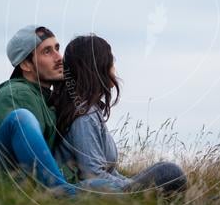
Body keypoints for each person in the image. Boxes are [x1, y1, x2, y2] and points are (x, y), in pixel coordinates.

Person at [52, 34, 187, 196]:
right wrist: (131, 187)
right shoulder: (85, 116)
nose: (114, 68)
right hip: (90, 190)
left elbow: (110, 172)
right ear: (98, 68)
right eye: (111, 62)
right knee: (169, 172)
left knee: (164, 168)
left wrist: (131, 183)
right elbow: (93, 174)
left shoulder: (88, 110)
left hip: (105, 187)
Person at [0, 25, 79, 196]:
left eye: (57, 48)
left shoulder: (43, 98)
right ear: (26, 64)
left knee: (101, 184)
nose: (59, 58)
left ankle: (126, 191)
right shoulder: (17, 95)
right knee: (21, 118)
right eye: (47, 52)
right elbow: (18, 161)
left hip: (20, 179)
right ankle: (64, 194)